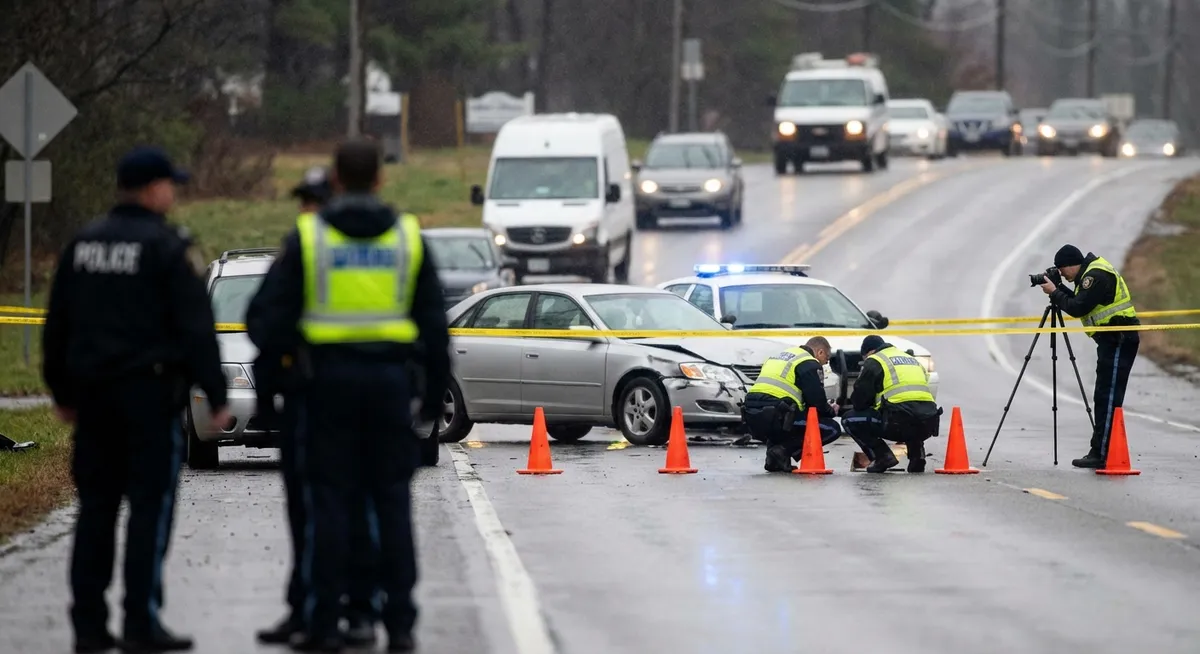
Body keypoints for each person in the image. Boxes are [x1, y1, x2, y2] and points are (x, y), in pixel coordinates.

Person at [246, 139, 450, 652]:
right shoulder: (407, 236)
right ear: (381, 178)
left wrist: (270, 392)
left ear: (336, 179)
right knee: (392, 504)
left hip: (326, 387)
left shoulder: (310, 236)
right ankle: (399, 625)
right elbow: (433, 323)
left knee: (329, 506)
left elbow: (271, 320)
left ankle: (324, 626)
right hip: (389, 387)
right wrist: (433, 395)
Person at [41, 146, 232, 653]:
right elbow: (195, 327)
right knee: (149, 512)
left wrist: (61, 391)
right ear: (152, 189)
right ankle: (139, 622)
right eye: (170, 185)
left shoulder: (83, 244)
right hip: (150, 401)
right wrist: (215, 393)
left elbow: (57, 323)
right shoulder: (167, 247)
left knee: (96, 511)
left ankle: (88, 625)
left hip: (94, 402)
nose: (173, 193)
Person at [252, 167, 384, 647]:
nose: (308, 211)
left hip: (343, 398)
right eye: (304, 202)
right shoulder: (300, 248)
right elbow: (261, 318)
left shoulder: (338, 251)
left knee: (352, 509)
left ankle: (358, 608)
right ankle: (308, 608)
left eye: (315, 201)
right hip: (309, 397)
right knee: (308, 513)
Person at [1039, 244, 1140, 468]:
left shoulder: (1095, 275)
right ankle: (1100, 450)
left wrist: (1055, 292)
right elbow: (1078, 301)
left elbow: (1078, 307)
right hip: (1112, 340)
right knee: (1103, 395)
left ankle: (1102, 454)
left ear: (1071, 264)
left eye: (1062, 270)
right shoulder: (1090, 272)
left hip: (1118, 338)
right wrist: (1057, 290)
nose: (1062, 275)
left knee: (1108, 396)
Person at [742, 336, 843, 472]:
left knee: (789, 415)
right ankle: (782, 451)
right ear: (820, 352)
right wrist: (831, 411)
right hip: (777, 415)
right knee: (832, 429)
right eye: (827, 357)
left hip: (751, 414)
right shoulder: (809, 363)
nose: (826, 362)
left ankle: (774, 460)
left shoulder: (781, 356)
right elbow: (816, 403)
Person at [842, 335, 940, 473]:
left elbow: (859, 401)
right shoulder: (912, 360)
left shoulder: (875, 360)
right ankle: (917, 456)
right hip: (928, 423)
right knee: (912, 412)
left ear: (870, 352)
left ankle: (882, 457)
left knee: (849, 419)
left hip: (896, 423)